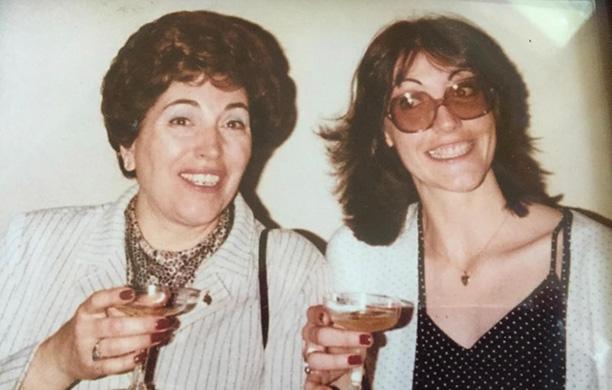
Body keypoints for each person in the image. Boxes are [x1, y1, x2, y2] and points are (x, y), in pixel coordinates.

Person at [0, 10, 327, 389]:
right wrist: (57, 362)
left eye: (233, 122)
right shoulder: (36, 243)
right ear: (128, 144)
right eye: (182, 120)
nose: (211, 148)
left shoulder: (292, 270)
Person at [302, 15, 611, 389]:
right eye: (411, 102)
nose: (446, 121)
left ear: (494, 106)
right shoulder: (360, 258)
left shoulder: (594, 257)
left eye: (465, 91)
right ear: (384, 131)